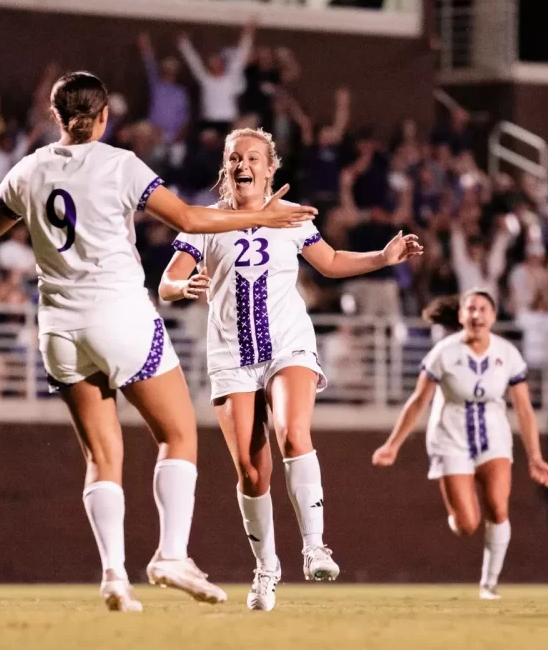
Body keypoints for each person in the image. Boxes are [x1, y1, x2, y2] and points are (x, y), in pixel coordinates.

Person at [0, 71, 317, 612]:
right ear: (103, 117)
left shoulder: (28, 170)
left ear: (56, 116)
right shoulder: (120, 164)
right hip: (118, 316)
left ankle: (115, 576)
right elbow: (187, 218)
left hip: (59, 330)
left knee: (102, 455)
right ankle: (170, 554)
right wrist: (265, 215)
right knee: (178, 435)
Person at [159, 127, 422, 611]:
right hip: (231, 354)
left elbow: (332, 261)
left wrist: (383, 257)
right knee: (251, 473)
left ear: (269, 167)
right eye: (235, 157)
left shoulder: (292, 218)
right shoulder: (206, 221)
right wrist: (183, 289)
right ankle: (266, 568)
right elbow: (167, 282)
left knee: (293, 433)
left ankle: (315, 545)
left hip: (287, 345)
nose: (243, 164)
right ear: (226, 167)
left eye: (253, 157)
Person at [371, 289, 548, 600]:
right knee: (468, 523)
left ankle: (489, 584)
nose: (476, 315)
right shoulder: (444, 352)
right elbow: (419, 400)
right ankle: (458, 513)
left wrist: (535, 456)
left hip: (493, 438)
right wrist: (393, 444)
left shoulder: (507, 353)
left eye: (483, 309)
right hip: (450, 439)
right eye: (470, 309)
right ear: (460, 316)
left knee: (498, 508)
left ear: (494, 317)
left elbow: (523, 408)